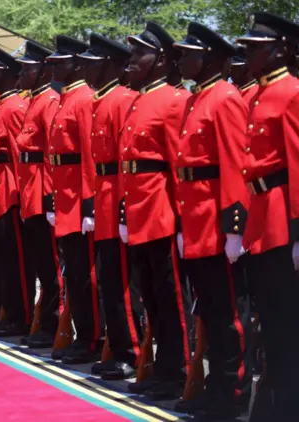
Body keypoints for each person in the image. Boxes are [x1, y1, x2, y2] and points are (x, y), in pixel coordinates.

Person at [172, 22, 253, 418]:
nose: (181, 59)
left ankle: (230, 395)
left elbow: (235, 166)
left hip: (217, 224)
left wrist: (235, 227)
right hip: (195, 220)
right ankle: (213, 387)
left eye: (189, 53)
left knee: (226, 316)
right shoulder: (195, 98)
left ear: (213, 59)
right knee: (207, 310)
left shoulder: (225, 98)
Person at [121, 22, 193, 400]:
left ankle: (178, 370)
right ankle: (163, 367)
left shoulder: (174, 100)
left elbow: (179, 164)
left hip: (162, 210)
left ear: (161, 59)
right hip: (138, 209)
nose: (131, 61)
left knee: (170, 296)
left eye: (139, 54)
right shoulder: (139, 99)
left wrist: (182, 219)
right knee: (150, 294)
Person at [236, 12, 299, 421]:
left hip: (281, 219)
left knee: (284, 323)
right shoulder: (255, 95)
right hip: (260, 217)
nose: (249, 54)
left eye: (256, 48)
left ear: (281, 50)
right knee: (269, 322)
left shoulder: (292, 93)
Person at [81, 34, 143, 380]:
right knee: (107, 279)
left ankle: (130, 350)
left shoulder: (122, 100)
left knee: (122, 282)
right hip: (101, 198)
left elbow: (125, 160)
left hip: (116, 196)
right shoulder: (100, 100)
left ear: (109, 64)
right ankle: (119, 346)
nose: (86, 67)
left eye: (92, 62)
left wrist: (122, 209)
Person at [44, 35, 103, 364]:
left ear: (76, 65)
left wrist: (88, 202)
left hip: (79, 200)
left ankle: (91, 337)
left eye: (60, 63)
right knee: (73, 273)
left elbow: (89, 156)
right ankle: (83, 333)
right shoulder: (66, 98)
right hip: (64, 198)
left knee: (85, 274)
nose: (54, 68)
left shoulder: (82, 99)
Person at [0, 48, 34, 337]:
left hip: (12, 190)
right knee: (5, 256)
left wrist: (21, 194)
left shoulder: (14, 107)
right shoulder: (4, 104)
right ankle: (11, 311)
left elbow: (17, 153)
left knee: (17, 259)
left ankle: (21, 315)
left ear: (8, 75)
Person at [13, 40, 62, 349]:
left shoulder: (49, 102)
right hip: (30, 189)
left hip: (42, 188)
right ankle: (44, 321)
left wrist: (49, 195)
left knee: (50, 264)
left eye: (27, 69)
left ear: (43, 71)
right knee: (41, 262)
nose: (22, 75)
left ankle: (53, 323)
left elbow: (50, 153)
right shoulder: (34, 100)